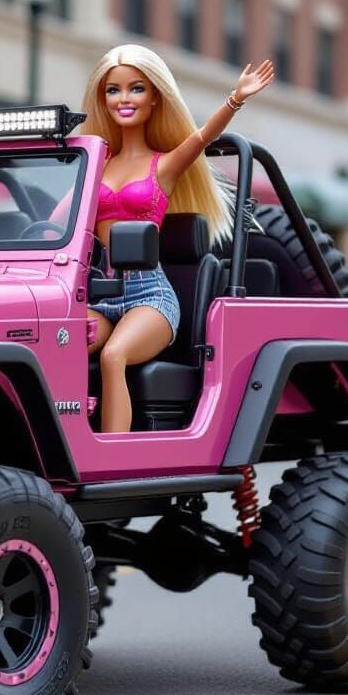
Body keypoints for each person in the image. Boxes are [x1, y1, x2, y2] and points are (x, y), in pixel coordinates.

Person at [81, 44, 274, 434]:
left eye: (136, 88)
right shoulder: (93, 166)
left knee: (114, 355)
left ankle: (111, 459)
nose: (124, 99)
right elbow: (55, 222)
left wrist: (235, 99)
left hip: (149, 296)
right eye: (113, 90)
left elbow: (202, 138)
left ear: (155, 97)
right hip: (100, 292)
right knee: (57, 341)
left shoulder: (162, 166)